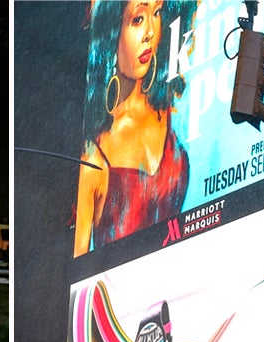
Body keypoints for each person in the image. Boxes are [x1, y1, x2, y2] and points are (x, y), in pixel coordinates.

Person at [73, 0, 187, 255]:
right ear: (112, 32)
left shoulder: (169, 112)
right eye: (137, 19)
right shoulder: (93, 154)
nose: (150, 32)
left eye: (156, 13)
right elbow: (78, 264)